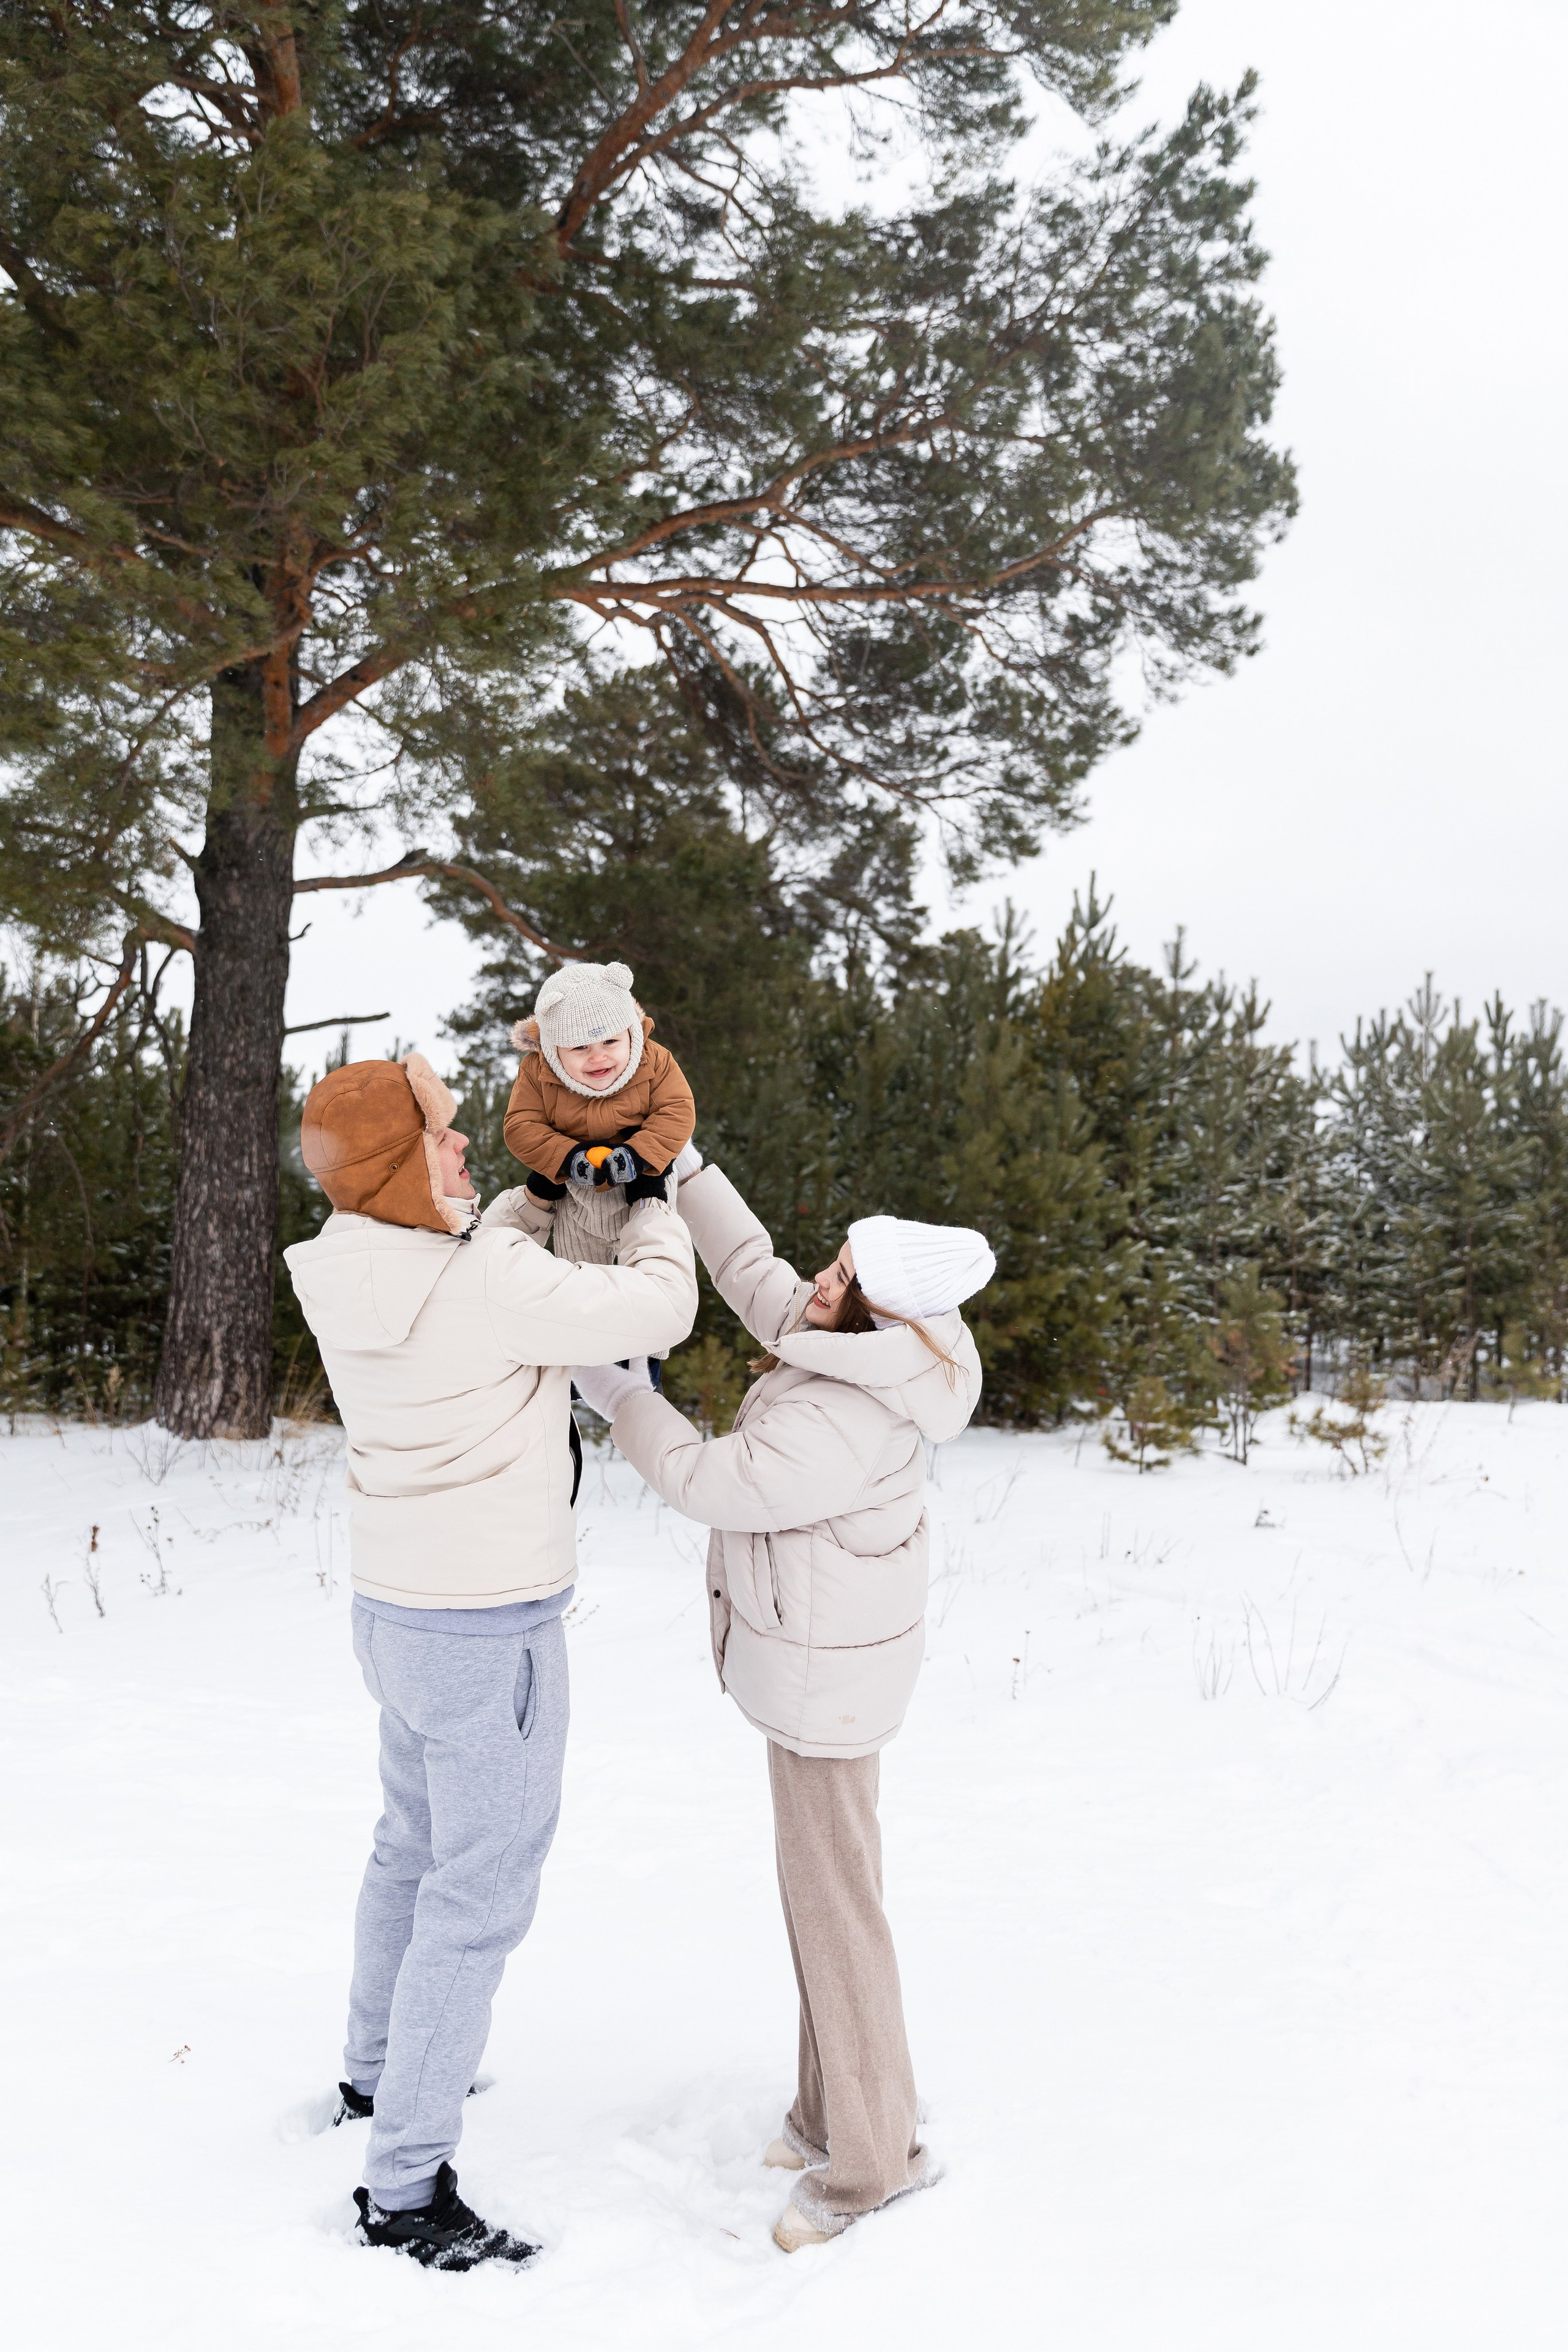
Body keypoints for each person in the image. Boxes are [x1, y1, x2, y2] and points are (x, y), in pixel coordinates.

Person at [285, 1050, 696, 2271]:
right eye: (445, 1139)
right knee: (478, 1899)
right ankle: (406, 2184)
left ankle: (374, 2075)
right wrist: (654, 1199)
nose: (466, 1150)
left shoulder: (341, 1264)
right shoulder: (486, 1285)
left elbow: (476, 1247)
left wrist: (518, 1197)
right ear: (400, 1165)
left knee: (409, 1848)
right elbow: (657, 1309)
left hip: (396, 1614)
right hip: (490, 1630)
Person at [571, 1144, 993, 2254]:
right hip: (827, 1664)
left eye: (843, 1273)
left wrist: (620, 1395)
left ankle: (871, 2165)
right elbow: (753, 1268)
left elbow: (714, 1482)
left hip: (827, 1685)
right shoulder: (868, 1349)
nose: (819, 1277)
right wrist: (686, 1166)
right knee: (823, 1895)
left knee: (837, 1910)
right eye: (836, 1260)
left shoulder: (847, 1413)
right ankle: (827, 2116)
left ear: (882, 1311)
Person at [503, 960, 695, 1268]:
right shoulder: (537, 1072)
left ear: (631, 1033)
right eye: (579, 1047)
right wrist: (567, 1158)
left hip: (646, 1180)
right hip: (578, 1189)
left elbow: (676, 1111)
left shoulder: (654, 1058)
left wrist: (639, 1155)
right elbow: (521, 1126)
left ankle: (650, 1300)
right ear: (553, 1049)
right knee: (581, 1275)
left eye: (610, 1041)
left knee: (654, 1258)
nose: (598, 1057)